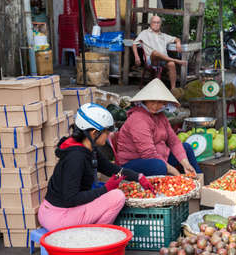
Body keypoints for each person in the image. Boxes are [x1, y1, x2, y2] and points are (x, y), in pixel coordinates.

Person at [38, 103, 155, 231]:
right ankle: (96, 237)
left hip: (59, 211)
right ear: (94, 132)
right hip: (58, 217)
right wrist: (105, 189)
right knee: (117, 196)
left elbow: (110, 169)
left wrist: (138, 177)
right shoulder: (76, 158)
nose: (109, 135)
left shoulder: (88, 148)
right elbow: (70, 199)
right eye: (107, 132)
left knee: (108, 192)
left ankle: (93, 233)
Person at [117, 78, 202, 177]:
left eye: (160, 102)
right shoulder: (138, 119)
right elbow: (148, 154)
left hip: (159, 156)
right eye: (152, 101)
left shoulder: (161, 116)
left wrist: (186, 164)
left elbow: (174, 141)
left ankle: (198, 179)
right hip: (133, 163)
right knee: (159, 166)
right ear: (145, 100)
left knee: (186, 148)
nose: (155, 105)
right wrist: (173, 171)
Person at [132, 15, 186, 90]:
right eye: (154, 22)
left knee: (171, 64)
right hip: (152, 60)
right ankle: (176, 60)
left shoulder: (163, 36)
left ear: (160, 24)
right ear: (150, 23)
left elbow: (176, 39)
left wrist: (178, 43)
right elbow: (134, 44)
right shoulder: (144, 33)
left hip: (164, 61)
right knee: (154, 52)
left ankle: (173, 89)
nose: (156, 24)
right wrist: (137, 57)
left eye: (158, 22)